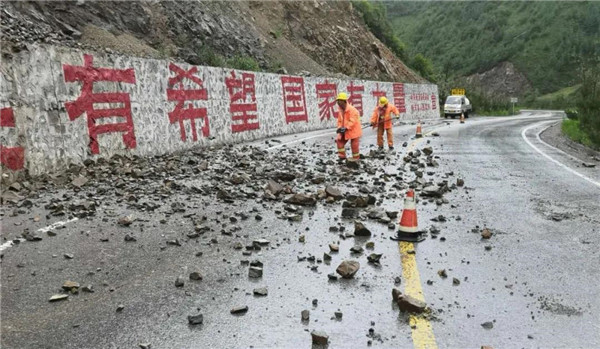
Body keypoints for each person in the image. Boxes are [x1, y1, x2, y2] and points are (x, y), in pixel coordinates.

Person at [335, 92, 362, 162]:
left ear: (344, 101)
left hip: (354, 130)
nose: (338, 102)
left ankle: (356, 159)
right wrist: (339, 128)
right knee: (339, 141)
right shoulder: (341, 110)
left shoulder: (353, 110)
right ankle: (342, 156)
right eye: (337, 101)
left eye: (339, 101)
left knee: (354, 145)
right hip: (345, 130)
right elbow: (339, 121)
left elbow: (352, 121)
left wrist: (346, 128)